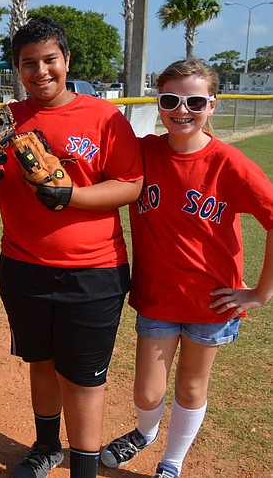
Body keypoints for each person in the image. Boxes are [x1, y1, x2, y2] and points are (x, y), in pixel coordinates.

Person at [99, 58, 273, 478]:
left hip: (211, 301)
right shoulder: (144, 152)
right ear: (158, 103)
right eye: (171, 99)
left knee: (192, 386)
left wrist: (261, 292)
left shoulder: (227, 162)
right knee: (147, 391)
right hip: (158, 296)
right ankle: (144, 432)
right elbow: (94, 146)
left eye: (195, 100)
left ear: (212, 105)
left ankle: (171, 461)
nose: (183, 109)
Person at [0, 16, 143, 478]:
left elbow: (131, 184)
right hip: (23, 267)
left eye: (49, 60)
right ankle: (45, 447)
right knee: (40, 362)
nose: (40, 72)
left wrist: (71, 196)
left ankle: (83, 469)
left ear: (66, 60)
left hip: (92, 272)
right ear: (17, 69)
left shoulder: (103, 116)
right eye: (28, 63)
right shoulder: (6, 121)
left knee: (82, 379)